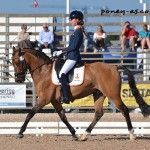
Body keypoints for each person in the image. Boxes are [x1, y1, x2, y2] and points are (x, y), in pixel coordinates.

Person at [53, 10, 84, 104]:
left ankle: (66, 97)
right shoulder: (76, 31)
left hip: (73, 57)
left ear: (77, 20)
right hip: (70, 56)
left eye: (72, 19)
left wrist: (61, 51)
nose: (70, 21)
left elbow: (73, 47)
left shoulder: (78, 31)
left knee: (62, 73)